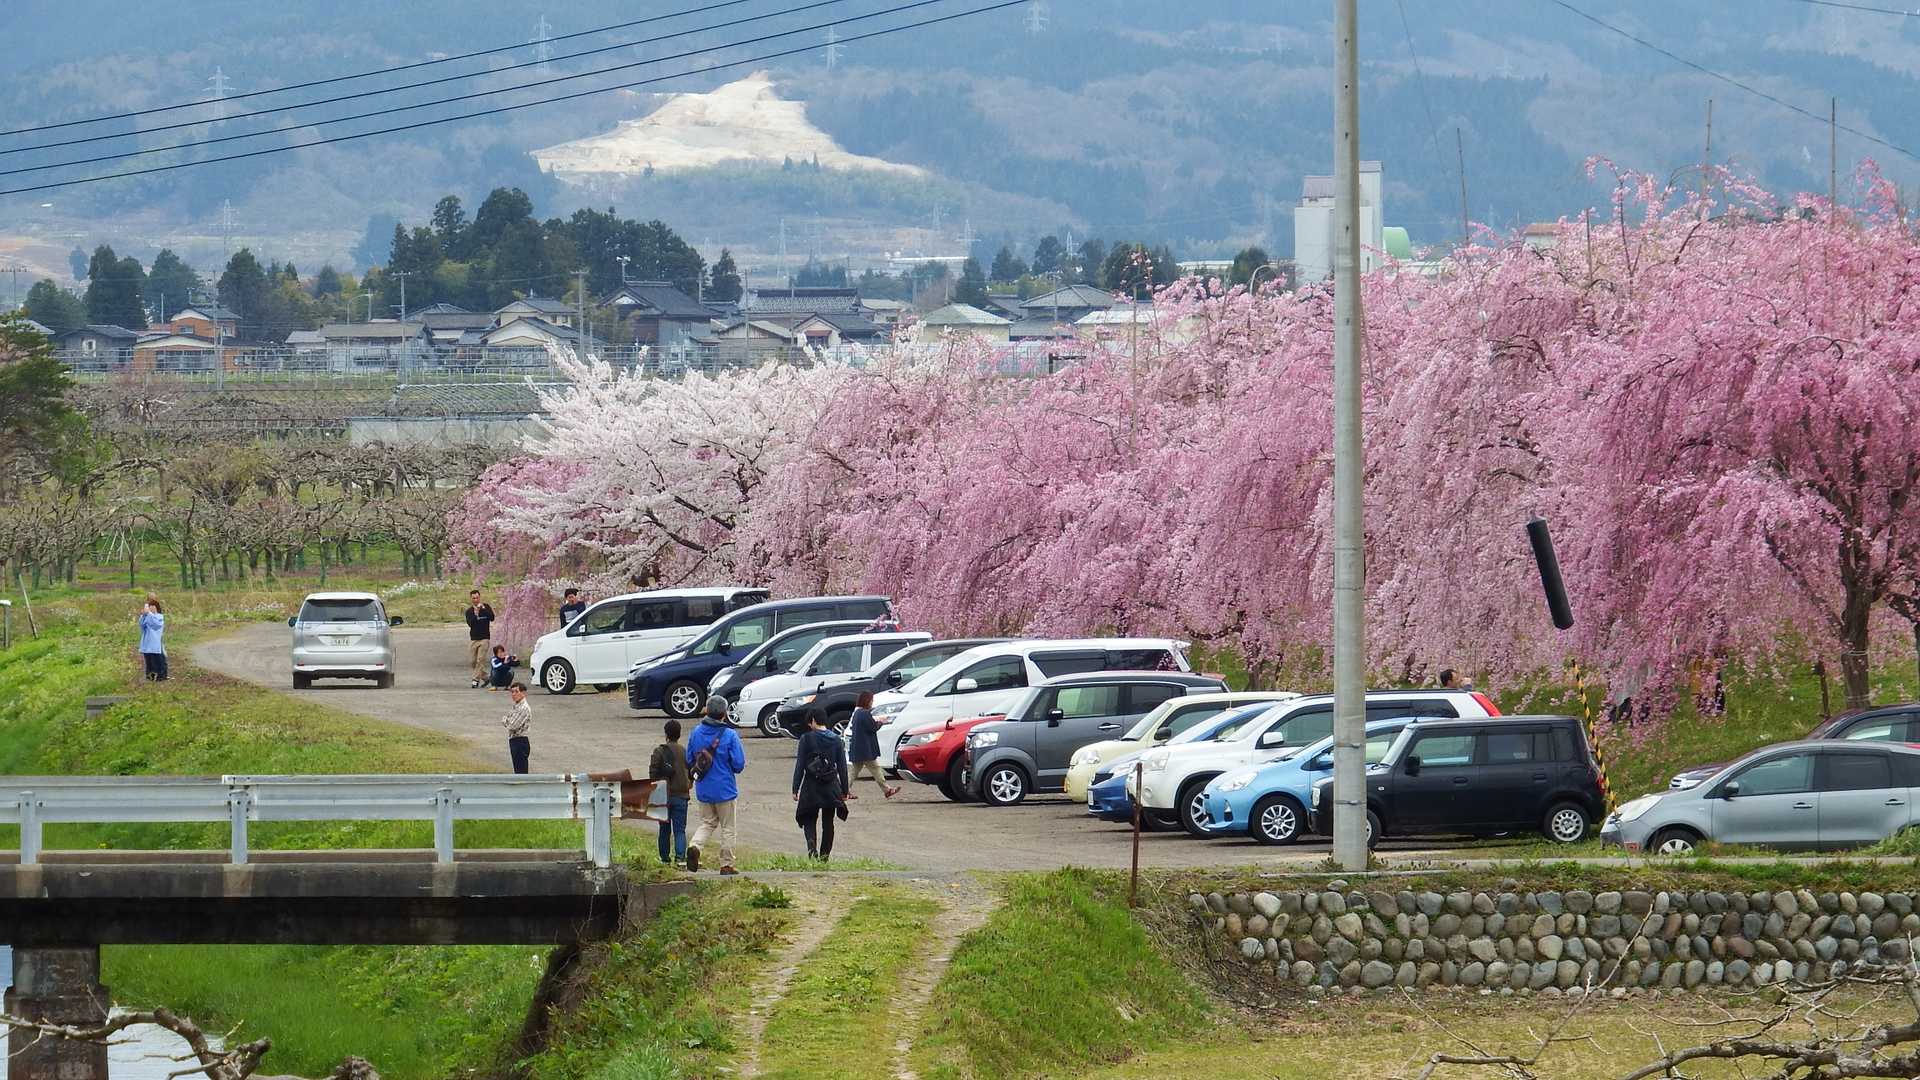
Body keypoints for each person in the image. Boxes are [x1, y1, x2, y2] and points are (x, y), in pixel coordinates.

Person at [685, 695, 745, 875]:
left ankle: (695, 846)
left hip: (703, 787)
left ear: (707, 710)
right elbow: (739, 764)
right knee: (728, 827)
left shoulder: (696, 732)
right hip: (725, 788)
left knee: (707, 823)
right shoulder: (730, 735)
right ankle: (726, 864)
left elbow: (689, 759)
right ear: (724, 713)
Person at [792, 707, 850, 861]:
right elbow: (842, 768)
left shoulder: (806, 739)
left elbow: (800, 765)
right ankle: (824, 857)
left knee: (809, 818)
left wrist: (795, 788)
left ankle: (812, 847)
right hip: (830, 785)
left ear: (813, 720)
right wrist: (845, 790)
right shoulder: (836, 740)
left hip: (811, 785)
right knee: (828, 822)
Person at [650, 719, 692, 866]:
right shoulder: (685, 752)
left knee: (664, 829)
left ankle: (664, 859)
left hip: (663, 796)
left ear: (666, 734)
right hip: (681, 795)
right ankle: (680, 858)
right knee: (680, 830)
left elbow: (652, 774)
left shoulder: (659, 751)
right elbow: (691, 772)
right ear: (679, 734)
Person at [846, 692, 900, 799]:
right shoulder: (865, 713)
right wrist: (881, 722)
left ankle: (843, 791)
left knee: (854, 772)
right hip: (865, 749)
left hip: (858, 748)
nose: (872, 702)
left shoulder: (857, 713)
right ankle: (887, 790)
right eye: (871, 700)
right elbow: (872, 727)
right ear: (867, 701)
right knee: (875, 769)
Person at [465, 589, 496, 688]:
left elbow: (492, 618)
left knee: (480, 660)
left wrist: (483, 609)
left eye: (477, 597)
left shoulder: (486, 607)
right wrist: (476, 613)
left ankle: (475, 680)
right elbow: (471, 623)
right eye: (473, 598)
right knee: (473, 662)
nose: (476, 600)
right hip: (474, 639)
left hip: (484, 638)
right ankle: (486, 678)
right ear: (471, 599)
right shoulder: (469, 611)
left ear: (480, 597)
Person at [501, 683, 532, 773]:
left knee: (521, 773)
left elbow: (512, 725)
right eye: (512, 692)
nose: (513, 694)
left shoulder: (523, 708)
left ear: (523, 693)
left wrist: (506, 721)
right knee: (517, 771)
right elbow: (508, 719)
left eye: (516, 692)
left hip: (520, 741)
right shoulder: (516, 706)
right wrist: (507, 720)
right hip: (514, 740)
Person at [137, 596, 167, 681]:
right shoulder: (147, 616)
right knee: (149, 661)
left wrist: (149, 614)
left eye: (153, 606)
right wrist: (143, 615)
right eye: (149, 606)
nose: (151, 608)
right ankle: (150, 677)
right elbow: (141, 625)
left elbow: (156, 625)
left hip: (156, 643)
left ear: (157, 607)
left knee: (158, 660)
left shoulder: (159, 617)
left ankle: (161, 676)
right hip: (147, 643)